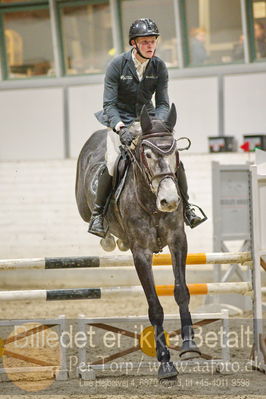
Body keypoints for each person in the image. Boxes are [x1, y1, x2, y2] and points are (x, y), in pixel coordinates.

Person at [89, 18, 205, 238]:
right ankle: (98, 215)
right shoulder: (117, 65)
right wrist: (119, 126)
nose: (150, 46)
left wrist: (157, 125)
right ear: (134, 43)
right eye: (145, 42)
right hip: (120, 121)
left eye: (153, 41)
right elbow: (109, 104)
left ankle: (188, 208)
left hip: (148, 121)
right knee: (113, 163)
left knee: (173, 158)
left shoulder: (159, 66)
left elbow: (162, 103)